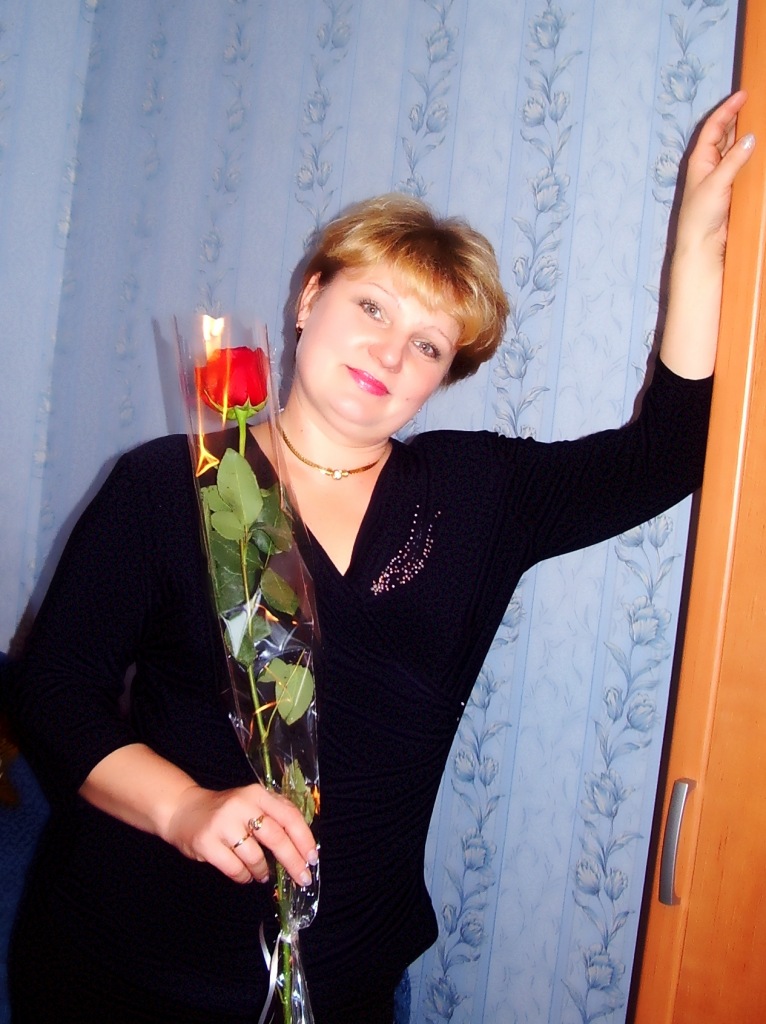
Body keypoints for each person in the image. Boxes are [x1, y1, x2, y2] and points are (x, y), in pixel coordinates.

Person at [1, 92, 754, 1023]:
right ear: (309, 298)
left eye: (428, 344)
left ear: (443, 376)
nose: (390, 352)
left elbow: (668, 455)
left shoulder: (478, 496)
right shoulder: (169, 484)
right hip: (125, 967)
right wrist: (185, 808)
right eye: (371, 305)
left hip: (346, 983)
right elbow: (53, 693)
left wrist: (699, 234)